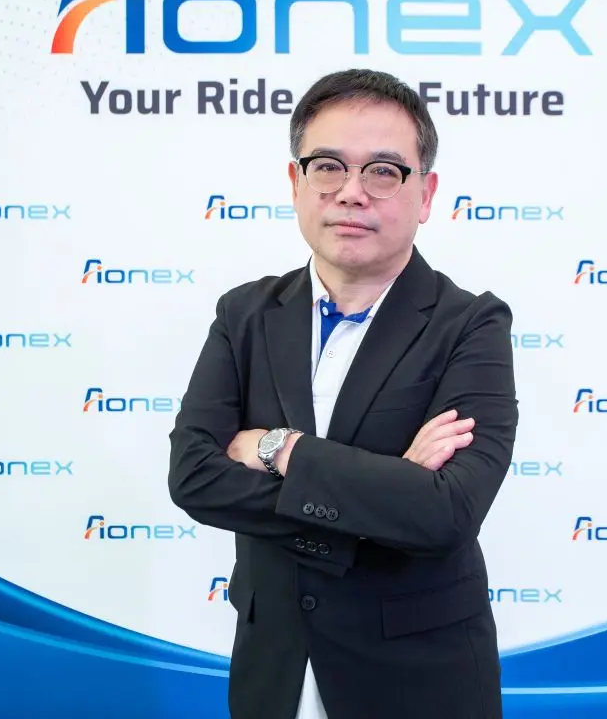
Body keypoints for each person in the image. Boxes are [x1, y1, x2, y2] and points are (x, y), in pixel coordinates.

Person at [168, 68, 519, 719]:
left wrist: (281, 449)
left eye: (383, 171)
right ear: (296, 182)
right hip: (275, 670)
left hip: (418, 681)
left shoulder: (470, 324)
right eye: (328, 166)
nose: (352, 192)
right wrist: (388, 490)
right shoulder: (245, 315)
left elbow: (445, 514)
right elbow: (195, 478)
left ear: (426, 193)